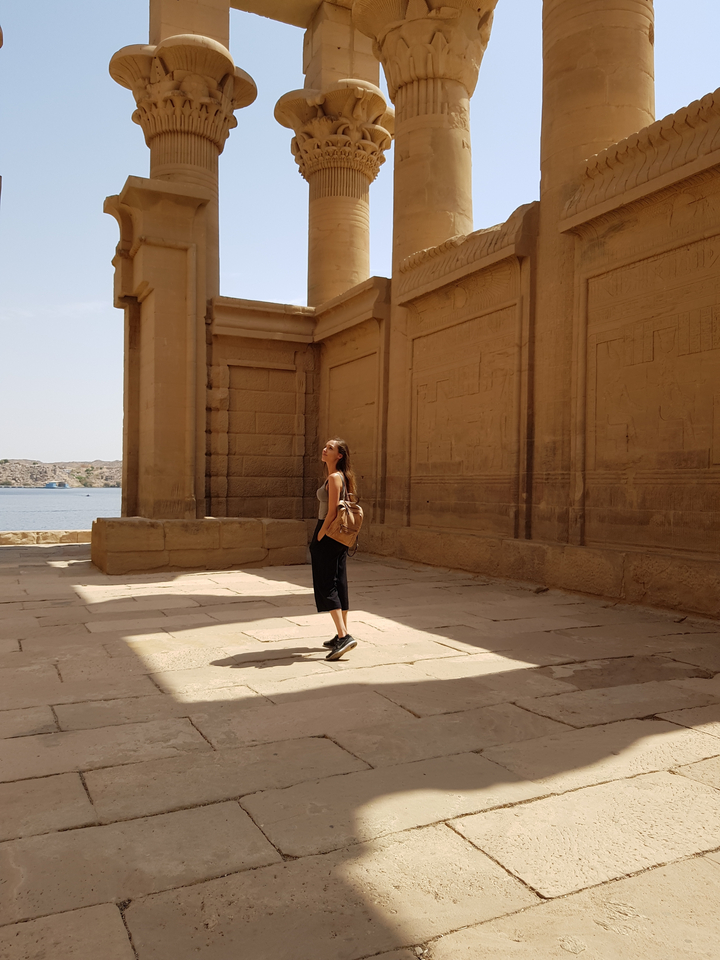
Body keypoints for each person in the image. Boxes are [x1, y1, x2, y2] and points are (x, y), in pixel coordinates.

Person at [310, 437, 357, 661]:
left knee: (326, 583)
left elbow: (331, 512)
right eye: (325, 446)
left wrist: (320, 535)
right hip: (339, 535)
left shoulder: (334, 477)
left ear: (339, 455)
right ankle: (341, 633)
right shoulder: (342, 477)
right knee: (339, 581)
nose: (325, 449)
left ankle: (343, 636)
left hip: (328, 531)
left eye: (330, 448)